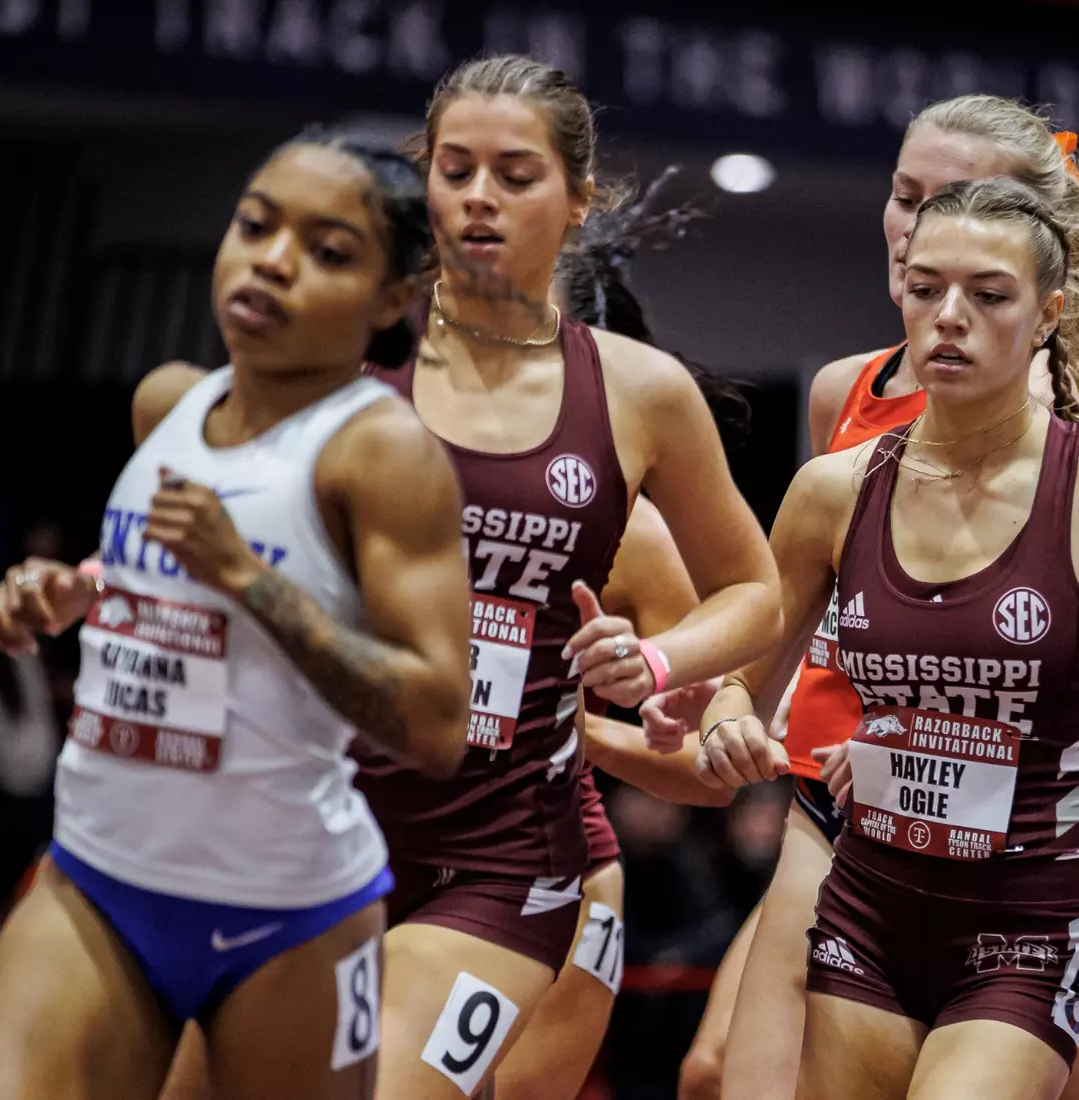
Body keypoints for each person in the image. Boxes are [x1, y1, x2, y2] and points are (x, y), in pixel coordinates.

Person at [696, 175, 1079, 1099]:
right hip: (866, 908)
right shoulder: (833, 489)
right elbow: (746, 677)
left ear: (1048, 314)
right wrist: (729, 715)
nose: (949, 317)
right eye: (927, 288)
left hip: (1029, 931)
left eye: (987, 295)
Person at [0, 127, 472, 1100]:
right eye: (255, 225)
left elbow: (434, 720)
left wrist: (247, 576)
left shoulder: (380, 454)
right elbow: (167, 586)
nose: (271, 262)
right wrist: (74, 591)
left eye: (328, 252)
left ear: (391, 301)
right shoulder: (166, 401)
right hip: (97, 874)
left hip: (288, 914)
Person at [349, 54, 780, 1100]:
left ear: (577, 198)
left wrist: (665, 672)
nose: (479, 196)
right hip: (323, 831)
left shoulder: (634, 410)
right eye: (455, 169)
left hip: (518, 861)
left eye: (514, 171)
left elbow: (751, 601)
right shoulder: (347, 369)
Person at [492, 178, 747, 1100]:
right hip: (373, 846)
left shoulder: (632, 533)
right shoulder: (383, 464)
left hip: (554, 872)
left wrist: (575, 730)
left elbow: (711, 779)